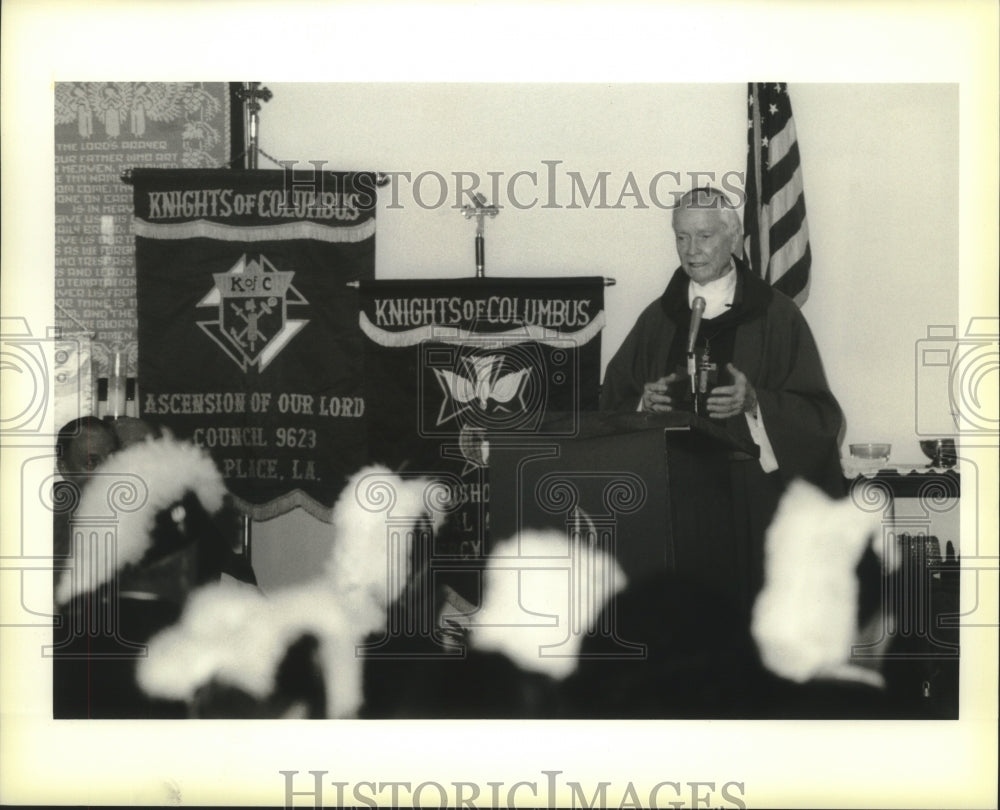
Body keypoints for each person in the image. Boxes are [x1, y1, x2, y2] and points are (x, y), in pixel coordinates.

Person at [600, 187, 845, 606]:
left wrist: (756, 404)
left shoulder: (776, 315)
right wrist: (645, 405)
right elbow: (614, 403)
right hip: (675, 503)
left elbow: (820, 419)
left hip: (753, 505)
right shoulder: (659, 319)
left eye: (705, 236)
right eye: (681, 237)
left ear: (732, 236)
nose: (691, 250)